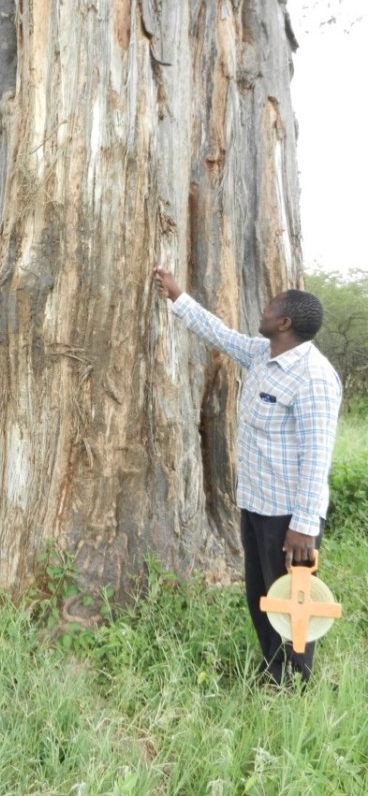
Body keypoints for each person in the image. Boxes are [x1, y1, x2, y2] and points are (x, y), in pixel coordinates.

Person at [152, 267, 342, 686]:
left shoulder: (314, 377)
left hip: (290, 519)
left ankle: (292, 682)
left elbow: (317, 456)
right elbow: (221, 335)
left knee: (292, 600)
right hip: (256, 503)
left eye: (272, 306)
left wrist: (304, 527)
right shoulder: (263, 354)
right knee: (261, 595)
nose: (264, 307)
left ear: (285, 322)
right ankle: (270, 667)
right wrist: (178, 296)